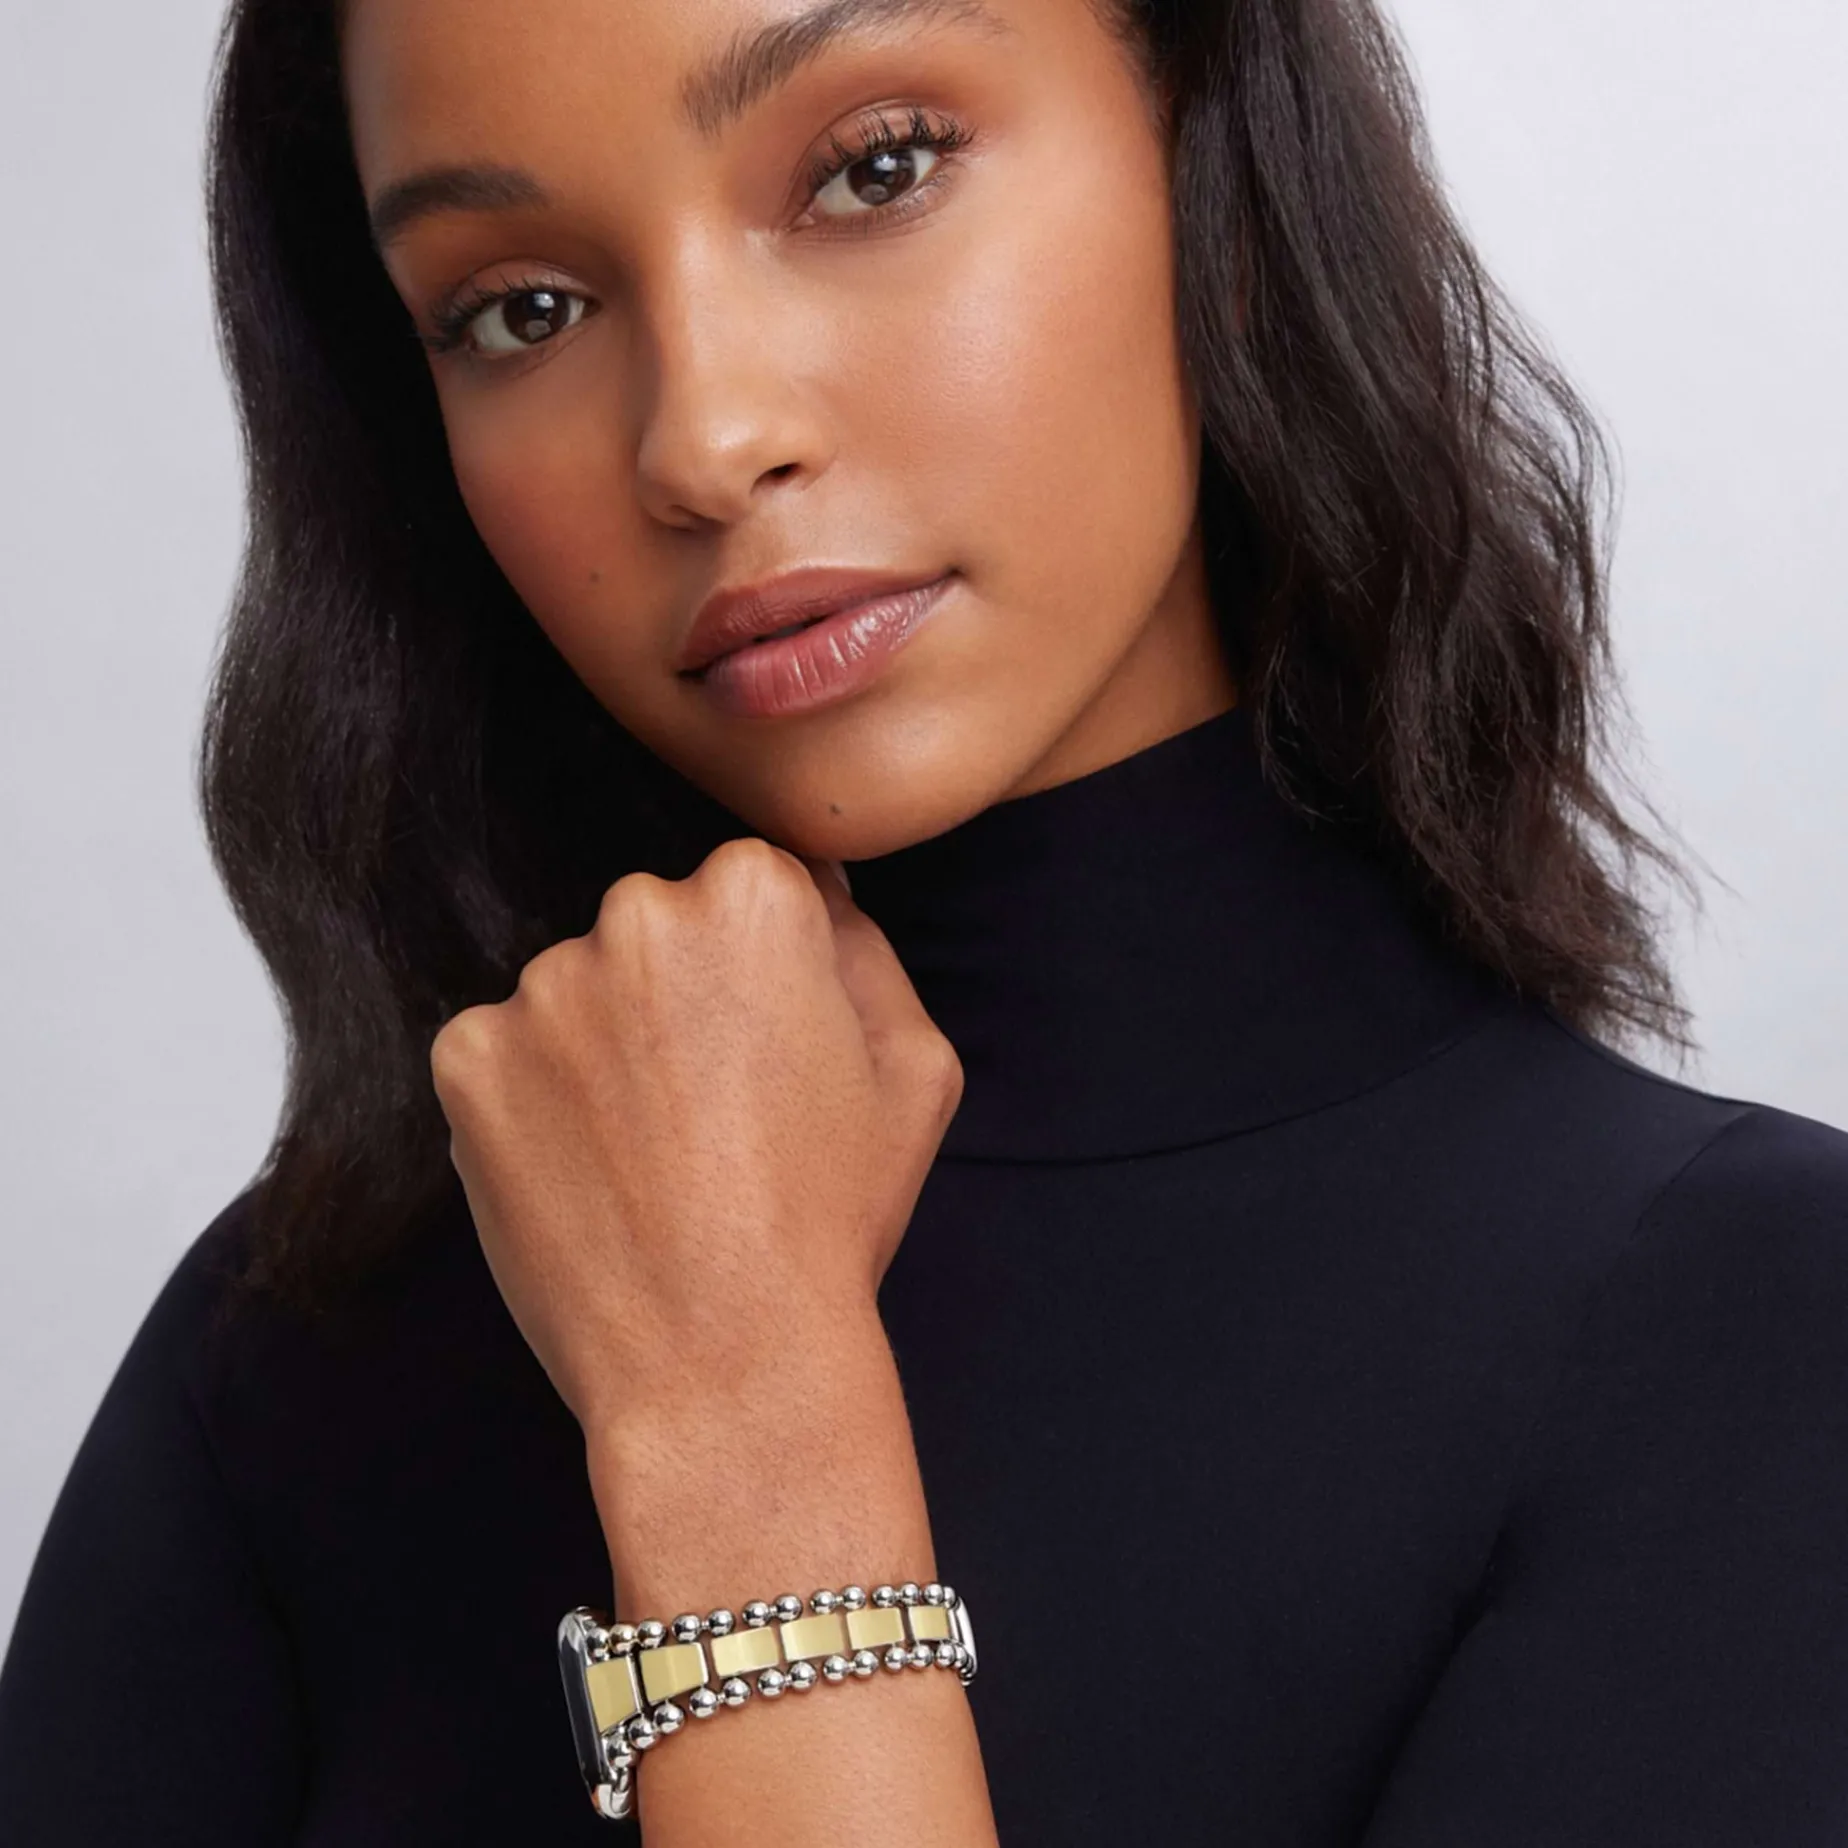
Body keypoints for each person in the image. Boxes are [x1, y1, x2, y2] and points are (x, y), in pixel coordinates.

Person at [3, 0, 1846, 1840]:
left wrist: (746, 1453)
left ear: (1216, 151)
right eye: (522, 309)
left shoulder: (1749, 1336)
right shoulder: (298, 1351)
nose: (706, 440)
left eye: (873, 170)